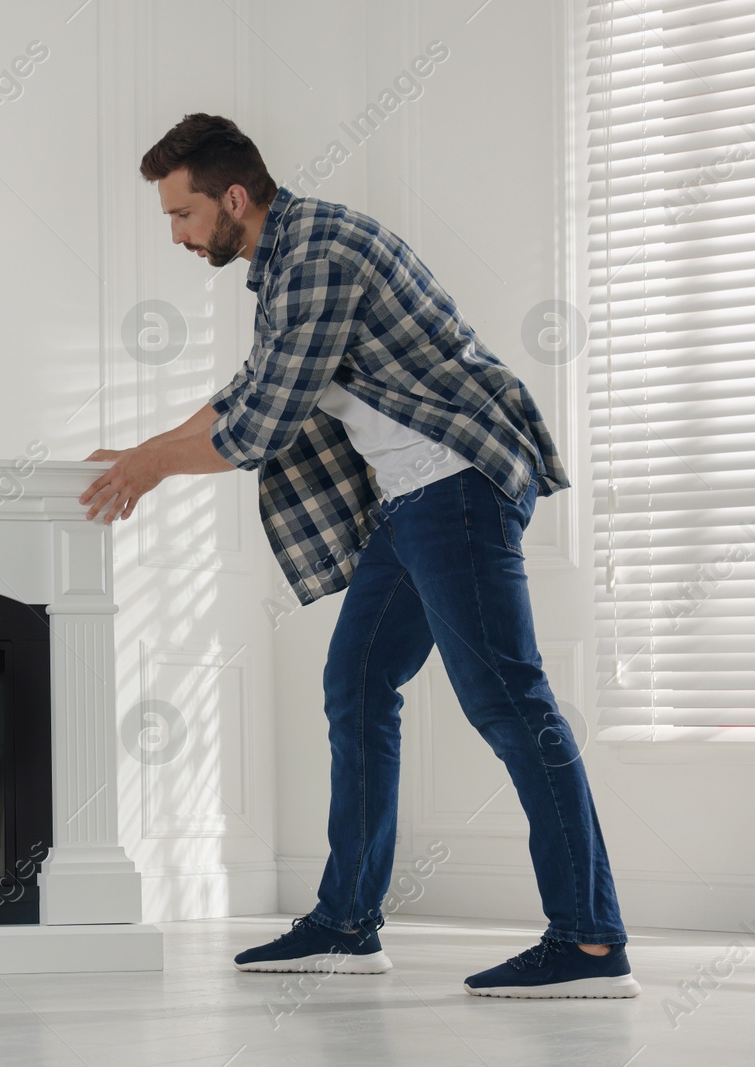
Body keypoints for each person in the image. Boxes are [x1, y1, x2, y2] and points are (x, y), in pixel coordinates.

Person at [77, 113, 639, 999]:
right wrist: (145, 450)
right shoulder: (286, 262)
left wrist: (153, 467)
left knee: (510, 702)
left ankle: (591, 942)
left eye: (181, 215)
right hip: (411, 498)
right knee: (359, 680)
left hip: (456, 482)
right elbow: (248, 391)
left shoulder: (320, 255)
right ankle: (346, 925)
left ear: (232, 198)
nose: (177, 236)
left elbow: (258, 429)